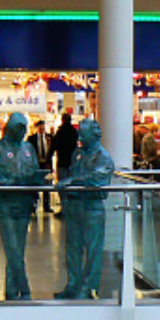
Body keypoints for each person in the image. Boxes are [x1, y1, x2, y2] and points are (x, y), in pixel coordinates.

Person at [0, 112, 48, 300]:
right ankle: (25, 288)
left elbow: (34, 172)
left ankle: (12, 291)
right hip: (6, 204)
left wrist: (37, 181)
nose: (22, 133)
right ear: (10, 129)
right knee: (12, 247)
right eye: (18, 130)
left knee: (18, 249)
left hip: (24, 203)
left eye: (24, 130)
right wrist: (10, 182)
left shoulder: (28, 148)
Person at [55, 119, 114, 300]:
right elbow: (74, 173)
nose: (80, 137)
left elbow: (97, 180)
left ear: (94, 135)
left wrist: (72, 181)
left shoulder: (103, 157)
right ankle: (73, 285)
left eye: (83, 134)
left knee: (93, 250)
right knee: (73, 248)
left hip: (92, 207)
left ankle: (89, 287)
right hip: (75, 206)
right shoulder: (77, 153)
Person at [47, 113, 79, 219]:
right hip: (72, 163)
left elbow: (53, 146)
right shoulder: (74, 132)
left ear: (63, 120)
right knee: (72, 187)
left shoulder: (60, 132)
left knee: (62, 186)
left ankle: (64, 209)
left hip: (62, 162)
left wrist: (48, 159)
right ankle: (72, 208)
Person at [28, 120, 54, 213]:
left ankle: (47, 205)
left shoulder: (49, 137)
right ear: (37, 128)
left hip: (46, 164)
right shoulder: (32, 139)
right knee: (35, 185)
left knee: (47, 184)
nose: (42, 128)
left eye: (43, 127)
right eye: (40, 127)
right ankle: (34, 204)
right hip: (36, 164)